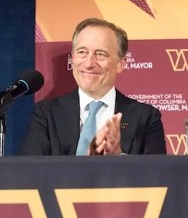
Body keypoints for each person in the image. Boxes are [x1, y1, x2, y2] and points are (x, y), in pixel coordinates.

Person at [19, 18, 166, 155]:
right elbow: (31, 174)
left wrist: (118, 156)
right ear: (73, 58)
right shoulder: (46, 114)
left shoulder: (147, 117)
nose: (89, 63)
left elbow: (158, 176)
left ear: (120, 63)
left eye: (100, 54)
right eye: (82, 52)